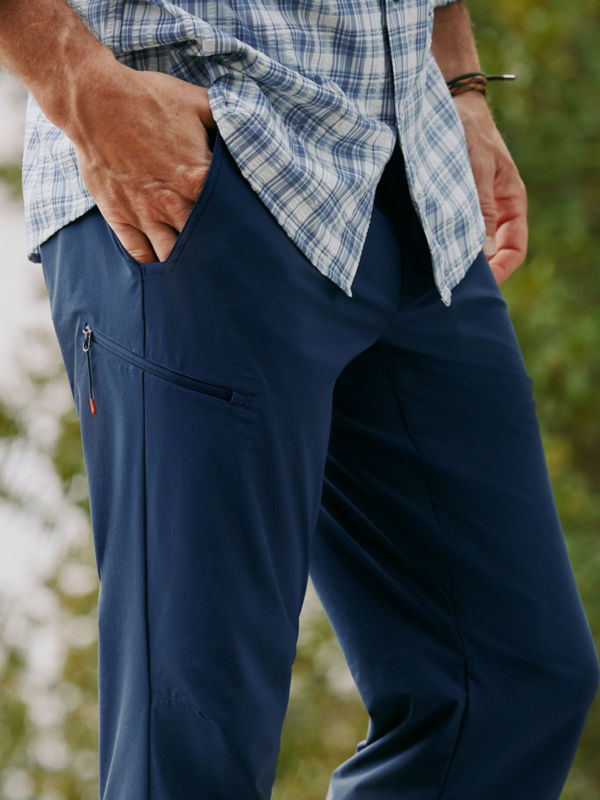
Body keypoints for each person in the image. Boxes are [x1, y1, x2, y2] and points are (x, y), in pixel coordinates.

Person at [1, 0, 599, 797]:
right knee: (194, 736)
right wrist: (76, 80)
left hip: (414, 170)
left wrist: (459, 84)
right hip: (194, 164)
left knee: (506, 685)